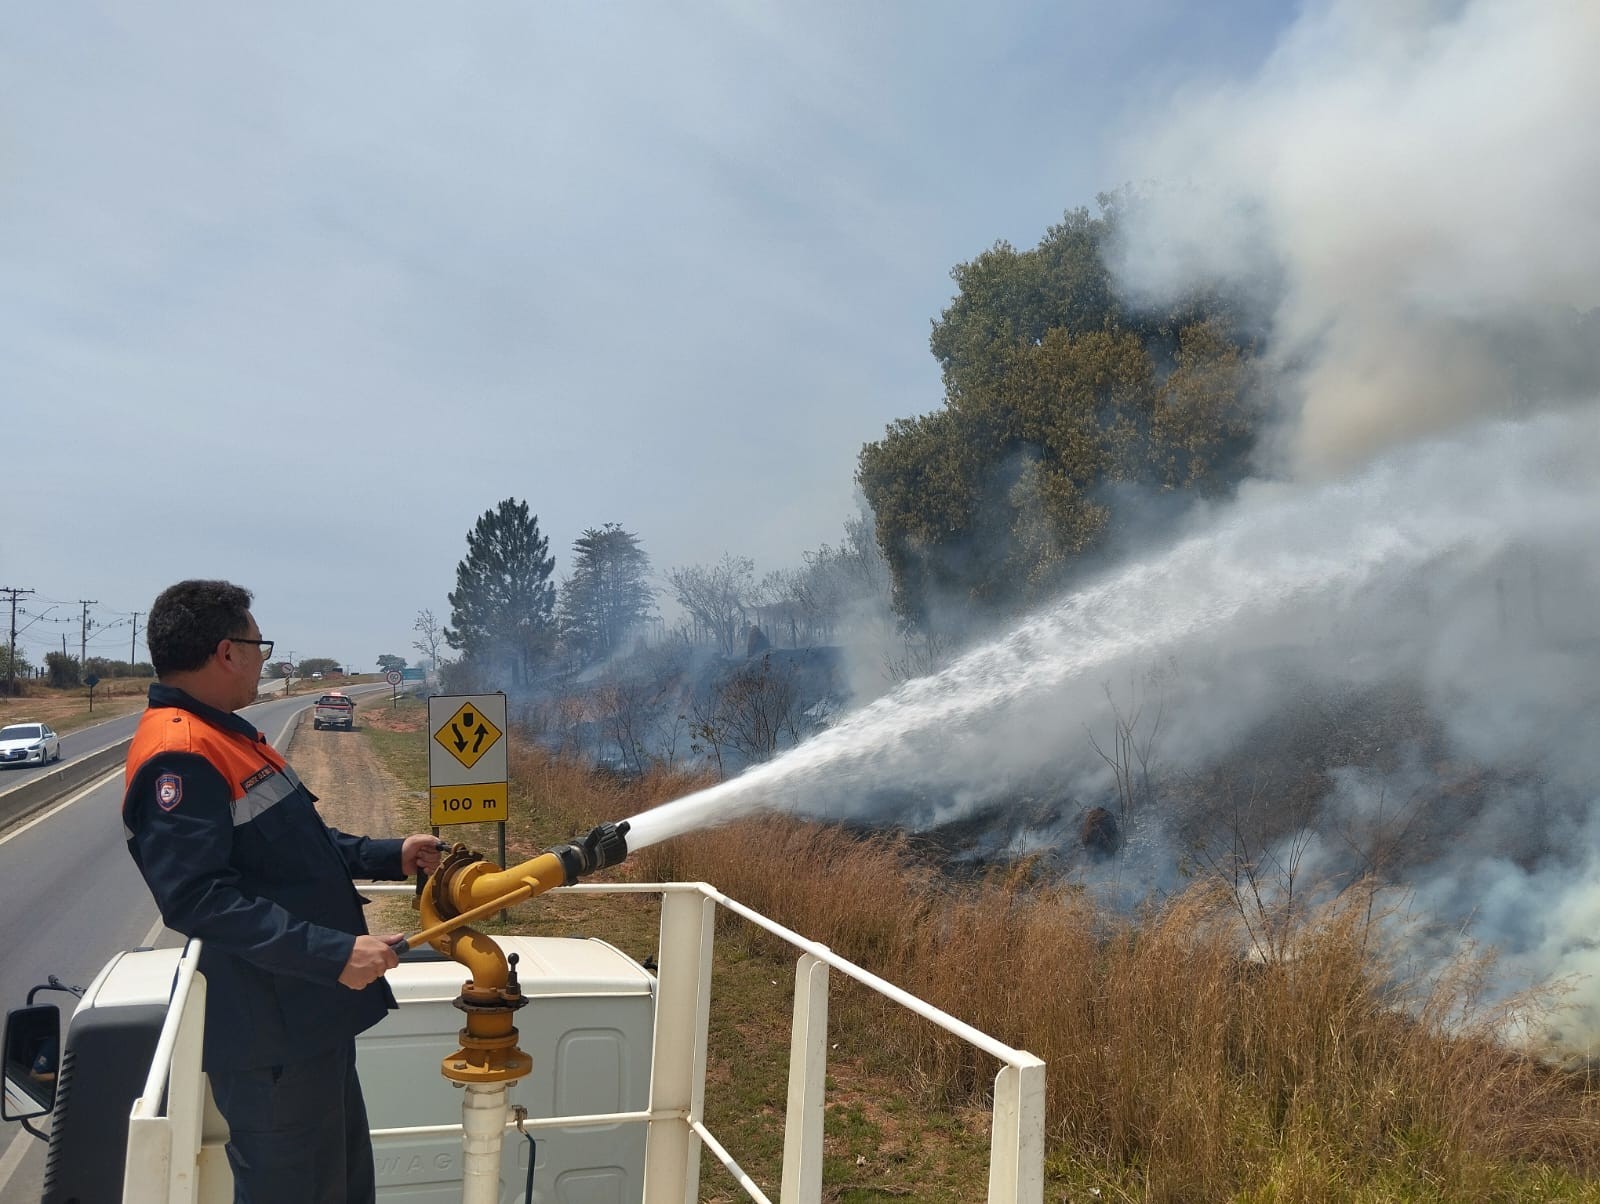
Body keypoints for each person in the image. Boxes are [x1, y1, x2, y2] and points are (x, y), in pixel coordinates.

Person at [122, 579, 443, 1204]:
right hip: (271, 1043)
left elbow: (296, 847)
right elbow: (197, 898)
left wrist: (390, 855)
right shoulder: (181, 754)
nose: (262, 661)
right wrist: (333, 952)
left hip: (306, 1019)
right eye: (258, 646)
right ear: (227, 652)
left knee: (342, 1187)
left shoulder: (228, 737)